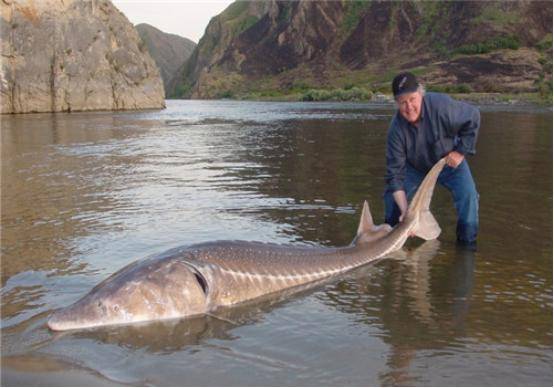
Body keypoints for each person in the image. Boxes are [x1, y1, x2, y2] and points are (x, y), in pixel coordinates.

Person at [384, 72, 480, 245]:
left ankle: (466, 247)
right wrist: (407, 214)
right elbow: (395, 177)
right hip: (415, 168)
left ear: (421, 94)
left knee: (469, 197)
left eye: (412, 99)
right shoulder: (395, 130)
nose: (409, 107)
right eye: (402, 102)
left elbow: (473, 117)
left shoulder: (442, 106)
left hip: (449, 163)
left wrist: (460, 152)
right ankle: (389, 245)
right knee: (392, 201)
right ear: (397, 104)